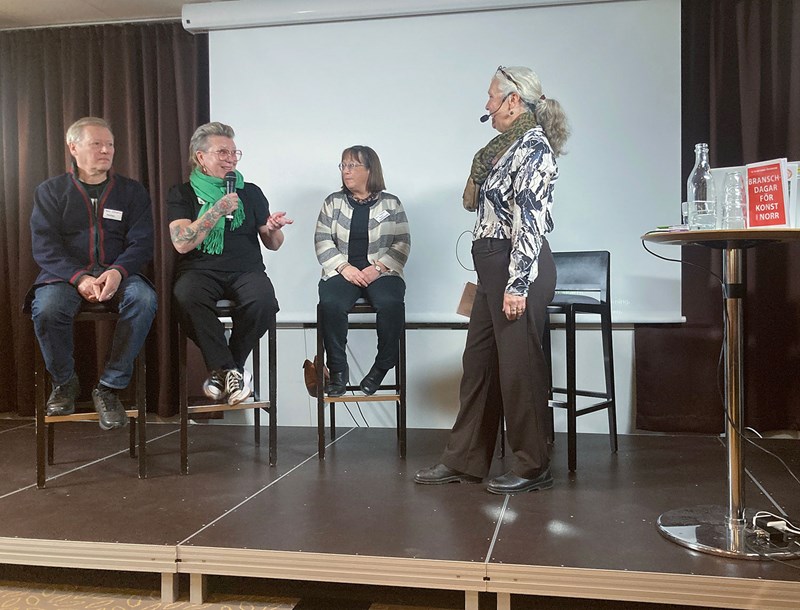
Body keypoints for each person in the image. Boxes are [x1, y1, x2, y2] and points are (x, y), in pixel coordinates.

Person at [415, 65, 570, 494]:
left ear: (513, 100)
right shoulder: (501, 148)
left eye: (491, 97)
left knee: (520, 368)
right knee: (479, 364)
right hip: (490, 267)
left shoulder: (534, 148)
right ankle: (465, 460)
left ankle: (533, 465)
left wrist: (518, 283)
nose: (486, 105)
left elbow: (531, 220)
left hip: (517, 265)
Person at [29, 117, 158, 430]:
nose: (106, 150)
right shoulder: (51, 191)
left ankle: (110, 387)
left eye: (110, 144)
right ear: (73, 148)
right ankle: (64, 383)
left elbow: (142, 241)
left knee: (143, 299)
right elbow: (44, 246)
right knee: (46, 308)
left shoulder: (131, 191)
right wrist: (80, 278)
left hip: (119, 272)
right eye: (97, 144)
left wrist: (118, 271)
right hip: (64, 277)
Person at [168, 122, 292, 405]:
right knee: (186, 297)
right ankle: (232, 371)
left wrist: (273, 228)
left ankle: (224, 369)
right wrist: (216, 210)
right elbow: (182, 242)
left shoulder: (250, 192)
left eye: (235, 152)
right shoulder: (182, 193)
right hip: (199, 270)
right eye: (223, 152)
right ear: (201, 157)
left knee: (264, 302)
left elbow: (273, 243)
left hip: (245, 270)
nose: (231, 158)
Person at [315, 146, 411, 396]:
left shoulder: (391, 203)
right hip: (343, 271)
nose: (346, 171)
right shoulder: (332, 202)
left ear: (370, 170)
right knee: (331, 303)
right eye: (343, 165)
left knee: (390, 303)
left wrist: (378, 267)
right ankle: (337, 370)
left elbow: (402, 241)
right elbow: (322, 239)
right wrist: (343, 267)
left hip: (382, 271)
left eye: (352, 166)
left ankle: (381, 367)